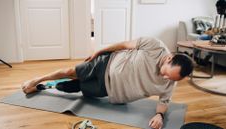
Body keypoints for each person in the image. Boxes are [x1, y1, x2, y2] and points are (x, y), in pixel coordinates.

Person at [22, 37, 194, 129]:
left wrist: (159, 115)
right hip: (105, 64)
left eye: (172, 79)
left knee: (73, 88)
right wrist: (99, 51)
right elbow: (125, 44)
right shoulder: (154, 46)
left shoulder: (170, 83)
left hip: (107, 90)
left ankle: (53, 85)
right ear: (169, 58)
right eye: (166, 73)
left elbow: (164, 102)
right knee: (70, 72)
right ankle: (37, 80)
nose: (166, 79)